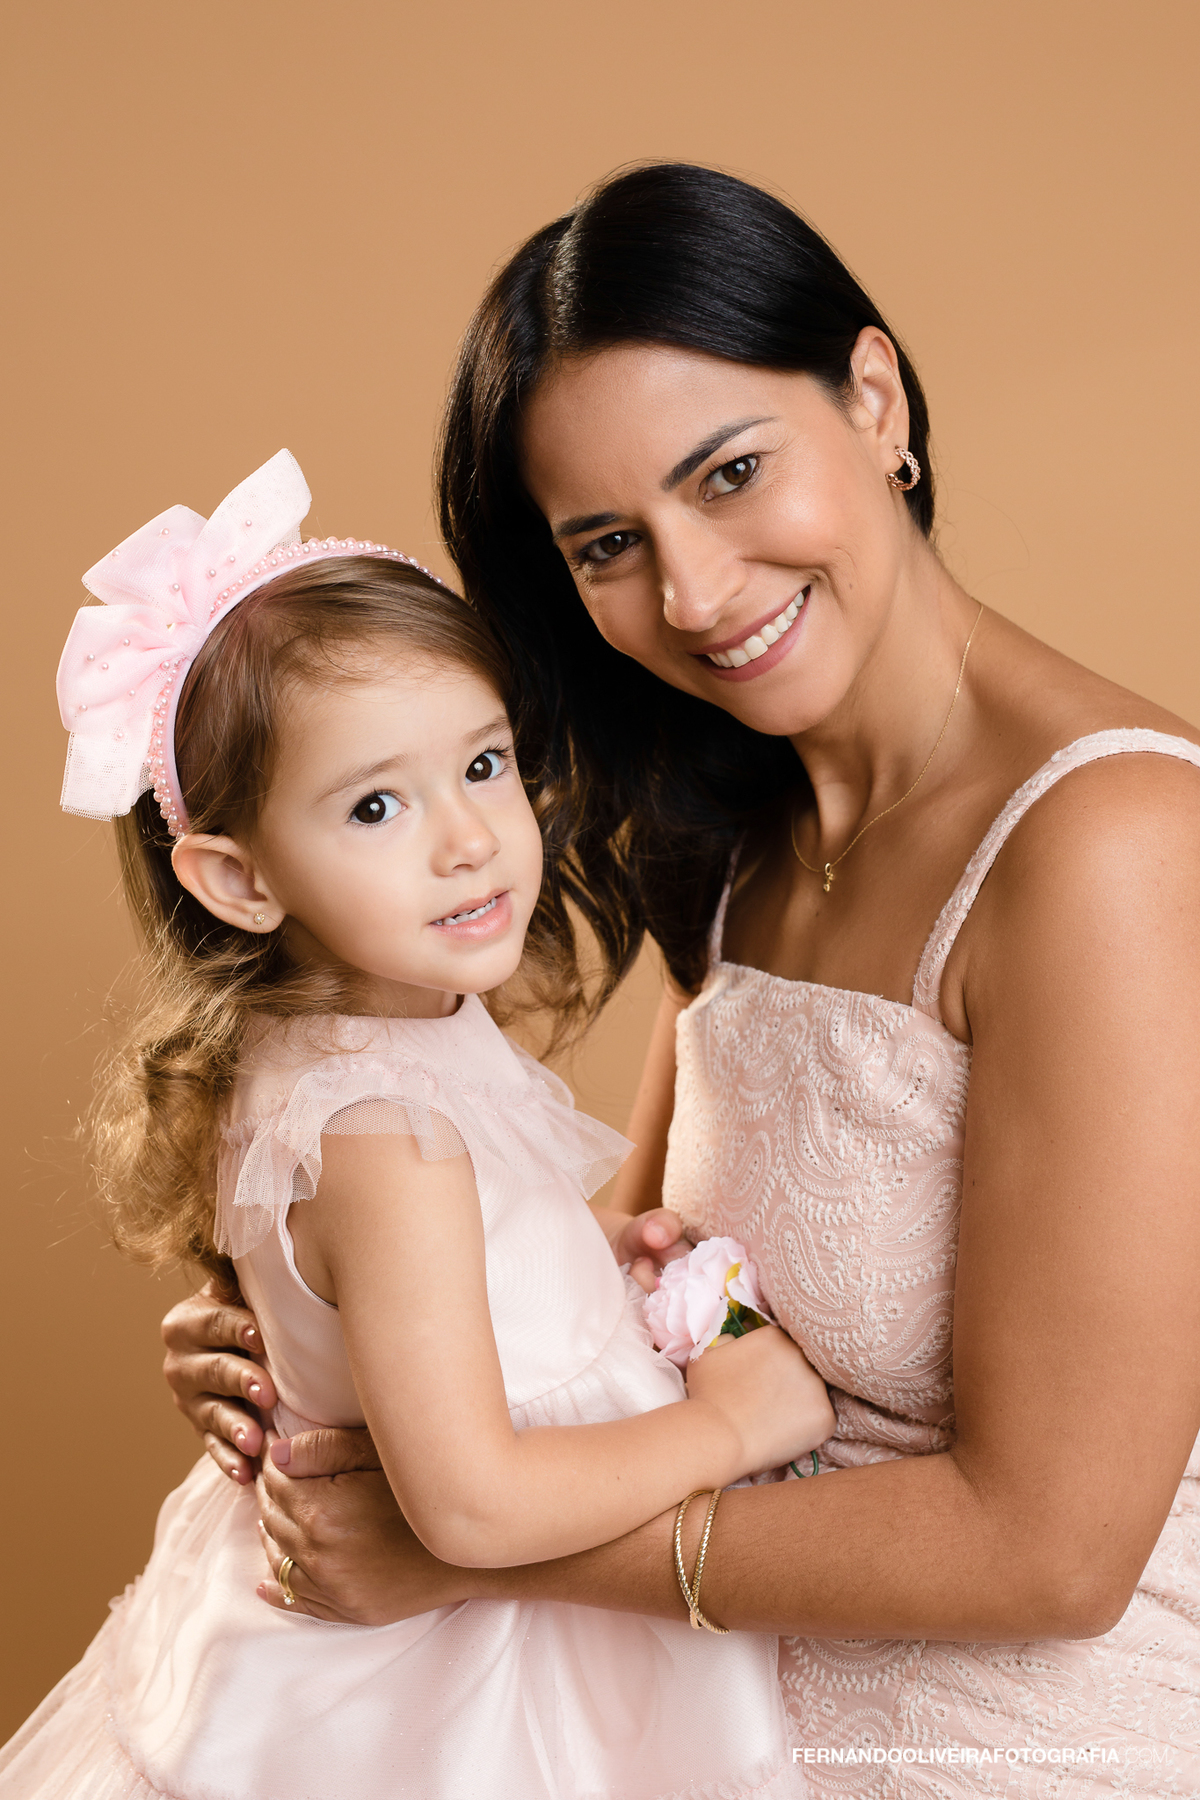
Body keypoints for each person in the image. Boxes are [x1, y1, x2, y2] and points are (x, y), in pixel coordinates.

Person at [166, 165, 1200, 1794]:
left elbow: (1052, 1551)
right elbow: (611, 1300)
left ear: (873, 399)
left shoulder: (1113, 845)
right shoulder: (732, 824)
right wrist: (326, 1330)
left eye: (730, 474)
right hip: (664, 1710)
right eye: (608, 544)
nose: (697, 594)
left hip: (1009, 1742)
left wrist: (470, 1546)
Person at [1, 449, 837, 1800]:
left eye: (485, 764)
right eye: (377, 804)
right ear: (238, 877)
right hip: (448, 1690)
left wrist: (583, 1261)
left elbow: (421, 1298)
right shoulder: (378, 1124)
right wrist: (733, 1427)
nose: (466, 839)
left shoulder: (373, 1036)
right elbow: (471, 1507)